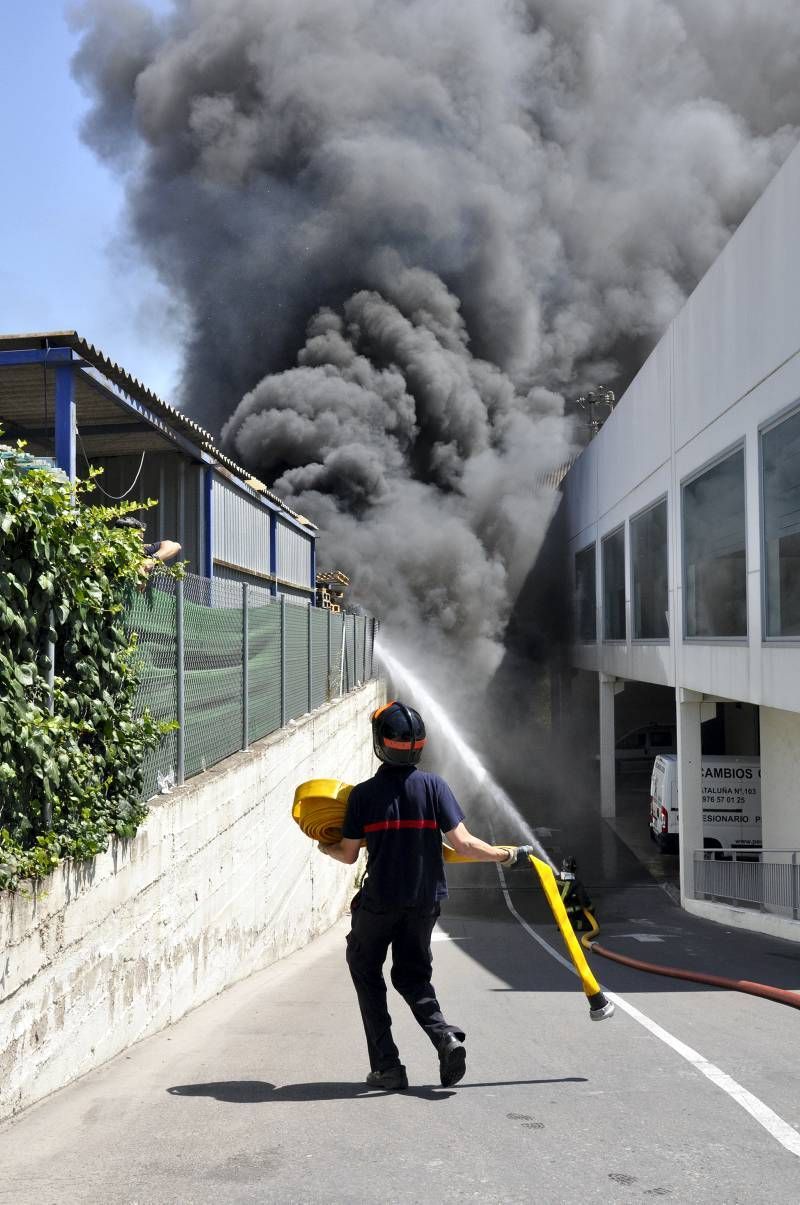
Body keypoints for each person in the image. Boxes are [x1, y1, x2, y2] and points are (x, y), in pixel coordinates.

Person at [318, 699, 533, 1091]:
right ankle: (444, 1038)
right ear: (420, 746)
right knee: (413, 977)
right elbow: (464, 844)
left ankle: (388, 1066)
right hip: (424, 902)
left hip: (380, 902)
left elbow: (348, 855)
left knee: (365, 969)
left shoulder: (362, 797)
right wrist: (508, 854)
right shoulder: (434, 787)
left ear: (379, 744)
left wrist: (325, 845)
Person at [114, 517, 181, 581]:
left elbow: (175, 546)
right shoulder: (111, 552)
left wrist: (153, 560)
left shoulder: (142, 550)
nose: (141, 542)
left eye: (141, 539)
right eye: (138, 538)